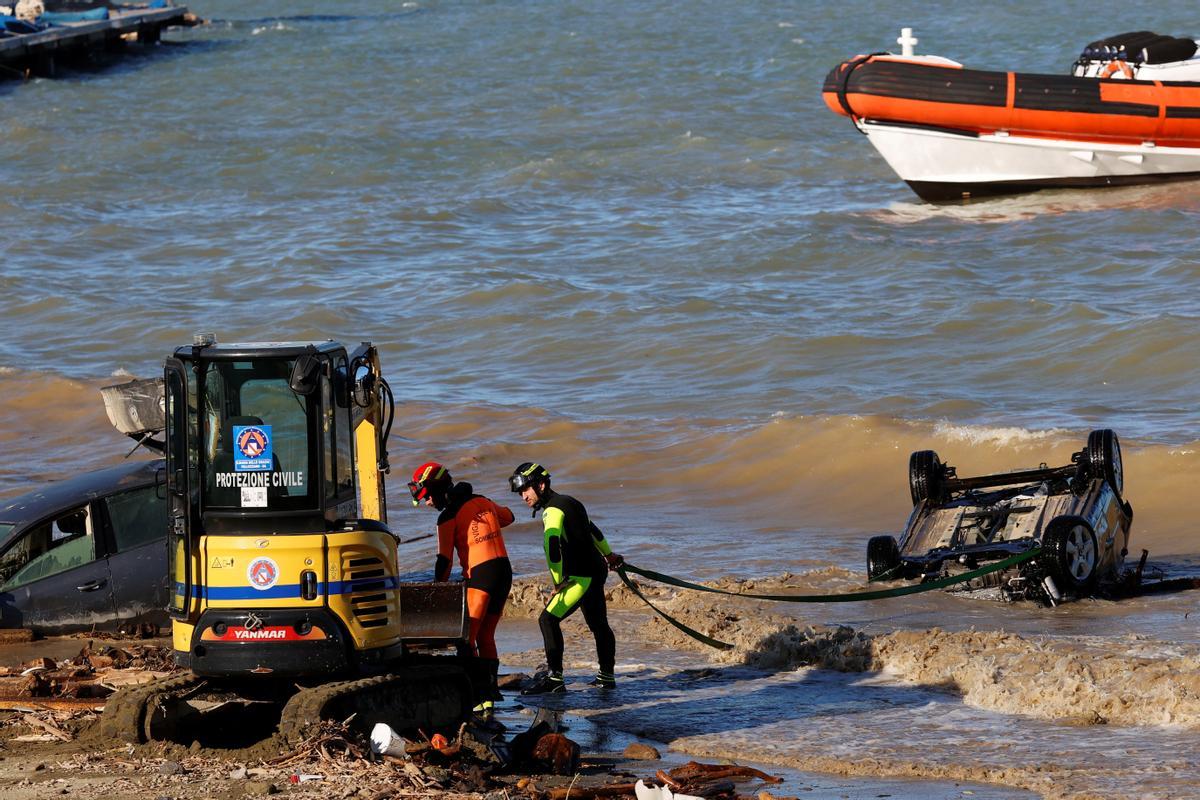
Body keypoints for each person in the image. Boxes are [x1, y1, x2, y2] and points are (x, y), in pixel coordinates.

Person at [409, 461, 514, 722]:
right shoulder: (482, 500)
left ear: (435, 490)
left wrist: (437, 590)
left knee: (466, 638)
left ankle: (476, 697)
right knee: (486, 636)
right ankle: (489, 696)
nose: (427, 504)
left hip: (481, 574)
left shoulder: (447, 517)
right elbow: (509, 517)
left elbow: (444, 561)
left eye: (427, 497)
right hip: (504, 572)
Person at [509, 462, 623, 693]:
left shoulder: (552, 511)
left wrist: (558, 582)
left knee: (547, 620)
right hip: (595, 571)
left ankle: (554, 680)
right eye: (520, 493)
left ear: (540, 485)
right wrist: (609, 555)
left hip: (581, 577)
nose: (523, 497)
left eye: (526, 490)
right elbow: (594, 531)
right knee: (599, 624)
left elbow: (552, 548)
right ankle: (606, 677)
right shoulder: (571, 502)